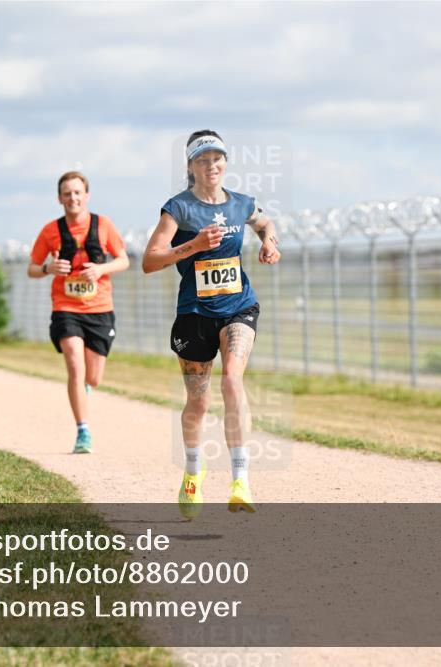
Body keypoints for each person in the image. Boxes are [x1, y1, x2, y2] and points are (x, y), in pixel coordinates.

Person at [142, 130, 281, 518]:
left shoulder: (240, 203)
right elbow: (150, 261)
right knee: (198, 403)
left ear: (225, 162)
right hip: (194, 315)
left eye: (217, 158)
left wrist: (270, 242)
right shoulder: (178, 209)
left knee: (232, 379)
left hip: (238, 306)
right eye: (203, 160)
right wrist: (194, 246)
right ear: (191, 166)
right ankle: (192, 472)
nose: (212, 165)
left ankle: (241, 481)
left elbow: (265, 222)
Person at [28, 171, 129, 454]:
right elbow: (32, 268)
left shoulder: (104, 225)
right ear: (59, 198)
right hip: (66, 308)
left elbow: (123, 261)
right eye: (66, 193)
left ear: (86, 195)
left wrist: (101, 269)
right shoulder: (50, 231)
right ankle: (83, 431)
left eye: (77, 192)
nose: (72, 197)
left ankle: (85, 390)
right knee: (75, 363)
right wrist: (48, 268)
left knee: (93, 378)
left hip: (100, 309)